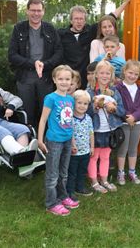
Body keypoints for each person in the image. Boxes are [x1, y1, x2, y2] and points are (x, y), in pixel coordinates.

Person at [8, 0, 63, 127]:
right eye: (33, 10)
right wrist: (32, 63)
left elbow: (59, 53)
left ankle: (45, 142)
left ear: (43, 11)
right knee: (27, 113)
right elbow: (12, 55)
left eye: (39, 10)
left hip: (46, 77)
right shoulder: (19, 29)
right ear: (27, 11)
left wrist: (45, 64)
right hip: (25, 77)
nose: (36, 14)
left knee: (47, 112)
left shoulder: (50, 29)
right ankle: (29, 141)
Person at [58, 0, 130, 88]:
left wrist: (125, 2)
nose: (79, 21)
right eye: (76, 19)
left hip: (86, 77)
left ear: (85, 20)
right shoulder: (61, 33)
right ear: (71, 20)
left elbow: (111, 18)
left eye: (81, 19)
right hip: (68, 78)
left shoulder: (90, 31)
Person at [38, 65, 78, 216]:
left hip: (67, 140)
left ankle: (63, 196)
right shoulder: (51, 98)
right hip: (54, 141)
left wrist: (73, 142)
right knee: (52, 174)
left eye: (67, 79)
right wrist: (40, 140)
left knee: (64, 172)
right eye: (60, 79)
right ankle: (51, 203)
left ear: (71, 81)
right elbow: (43, 120)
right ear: (54, 80)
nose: (64, 82)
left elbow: (70, 122)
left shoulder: (70, 99)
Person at [86, 60, 125, 193]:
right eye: (101, 73)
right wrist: (94, 107)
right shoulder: (90, 91)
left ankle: (105, 179)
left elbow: (122, 111)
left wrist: (113, 109)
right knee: (94, 156)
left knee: (105, 156)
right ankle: (94, 182)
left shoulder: (114, 91)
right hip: (95, 130)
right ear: (96, 74)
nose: (104, 76)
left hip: (109, 130)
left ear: (112, 76)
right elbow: (84, 113)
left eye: (107, 73)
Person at [115, 60, 140, 185]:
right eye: (130, 72)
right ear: (124, 71)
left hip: (137, 123)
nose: (132, 76)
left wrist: (134, 117)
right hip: (123, 123)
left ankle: (132, 171)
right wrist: (127, 117)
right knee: (123, 148)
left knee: (133, 148)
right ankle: (121, 172)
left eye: (135, 74)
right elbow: (117, 105)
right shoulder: (118, 87)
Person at [66, 90, 94, 199]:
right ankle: (70, 191)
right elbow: (70, 133)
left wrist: (92, 146)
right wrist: (73, 145)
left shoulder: (88, 118)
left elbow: (91, 133)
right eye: (79, 103)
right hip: (74, 152)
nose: (82, 106)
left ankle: (80, 187)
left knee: (82, 171)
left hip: (85, 151)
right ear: (74, 103)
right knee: (72, 172)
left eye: (85, 104)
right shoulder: (70, 118)